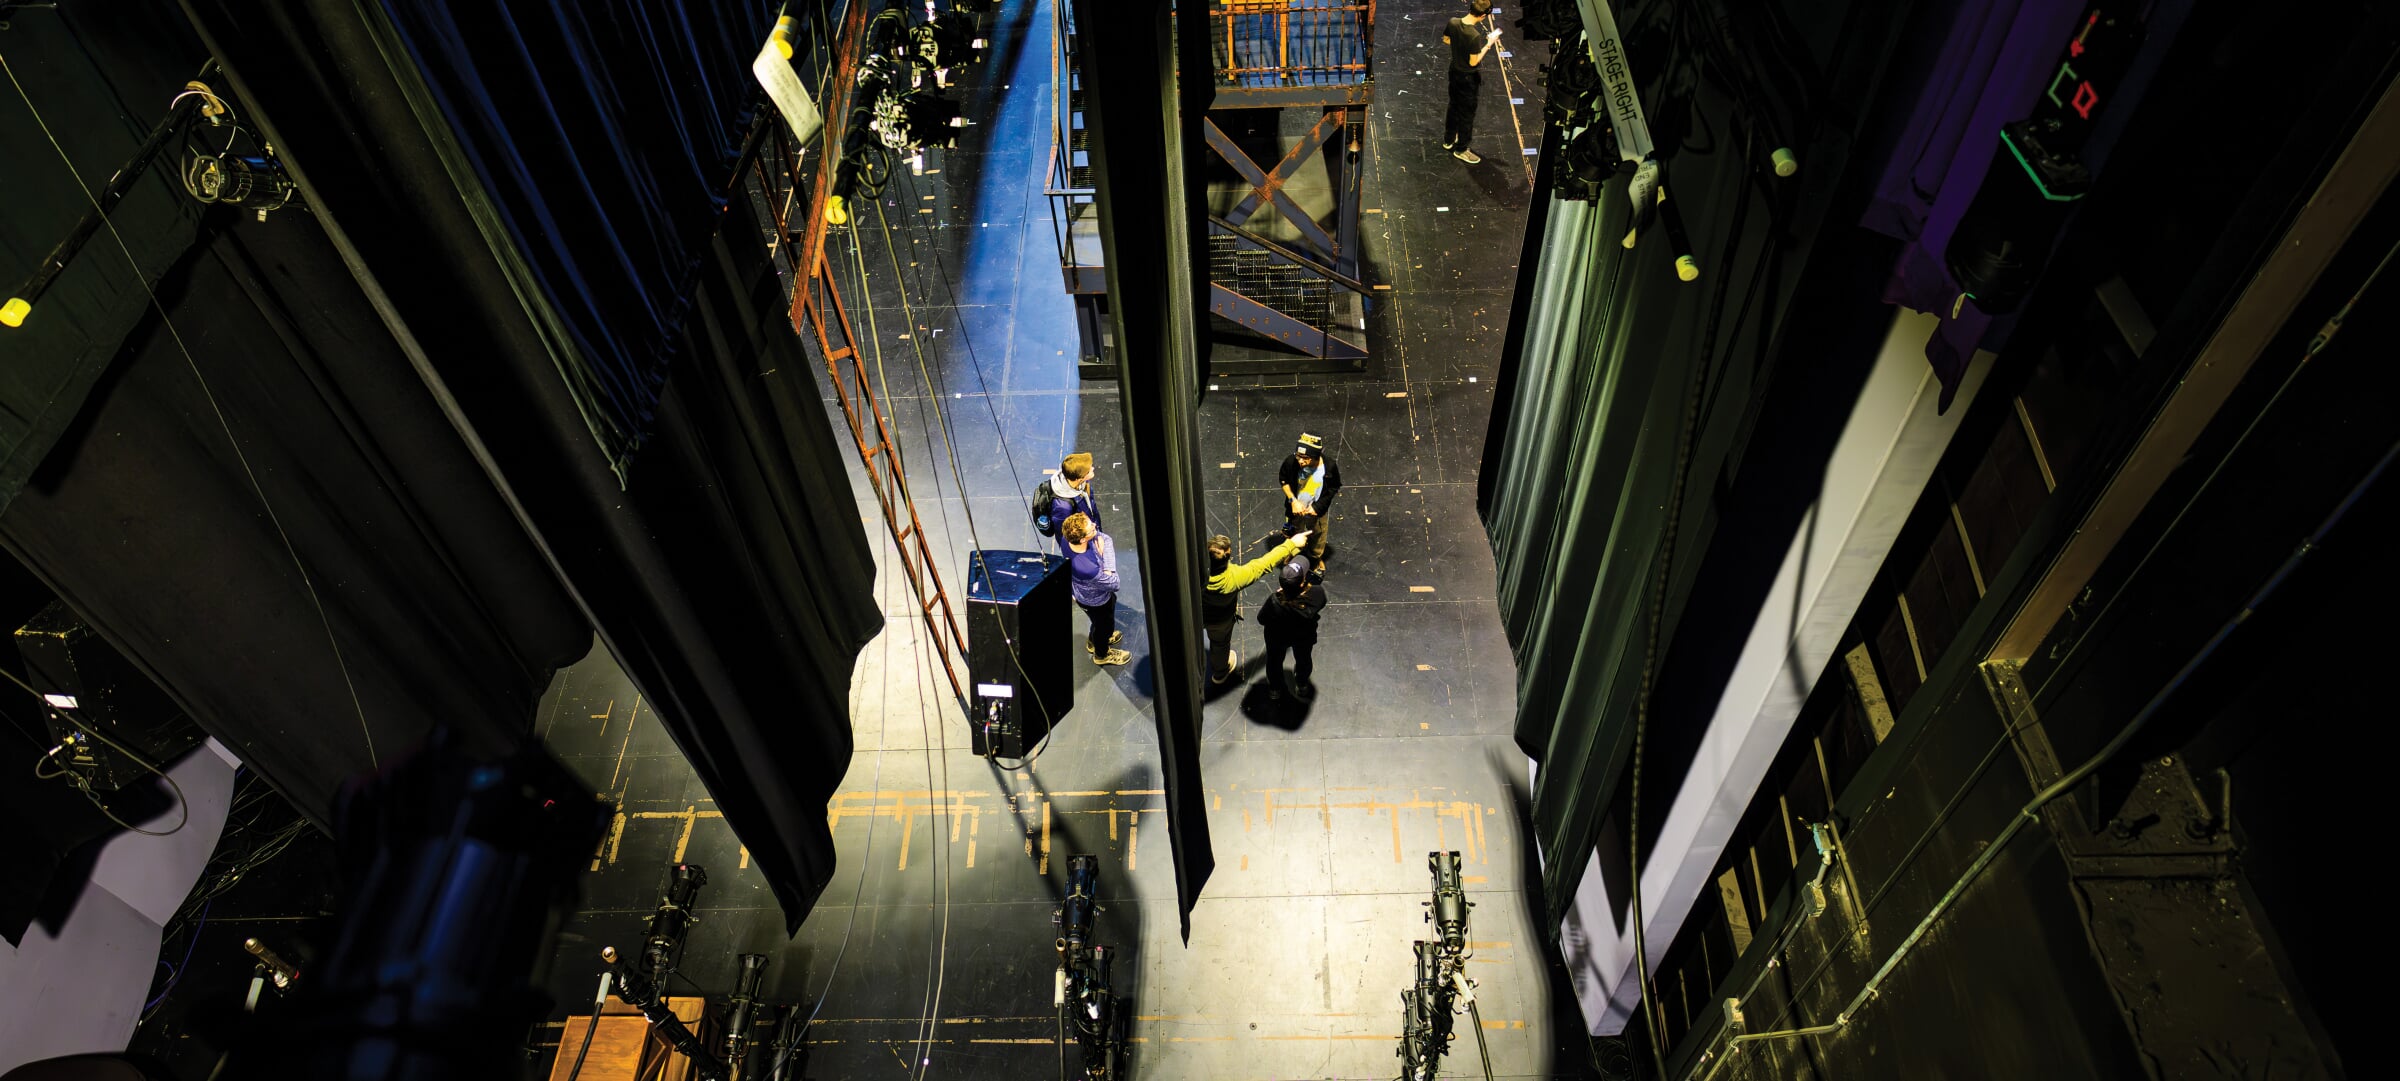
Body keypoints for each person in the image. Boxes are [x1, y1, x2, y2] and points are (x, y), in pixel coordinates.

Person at [1203, 529, 1311, 685]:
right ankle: (1220, 672)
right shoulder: (1235, 578)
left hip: (1192, 614)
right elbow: (1264, 564)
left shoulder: (1192, 572)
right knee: (1219, 644)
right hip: (1219, 622)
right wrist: (1292, 544)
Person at [1060, 512, 1130, 665]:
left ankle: (1094, 641)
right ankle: (1101, 654)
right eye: (1091, 528)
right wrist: (1107, 566)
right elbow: (1114, 583)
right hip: (1097, 601)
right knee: (1104, 625)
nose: (1095, 526)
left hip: (1082, 595)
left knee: (1097, 624)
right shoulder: (1087, 568)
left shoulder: (1065, 539)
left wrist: (1102, 552)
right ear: (1083, 539)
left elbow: (1106, 538)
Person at [1256, 555, 1327, 702]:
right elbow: (1321, 603)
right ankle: (1302, 685)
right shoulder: (1316, 594)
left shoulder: (1274, 601)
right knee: (1303, 659)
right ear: (1302, 583)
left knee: (1274, 661)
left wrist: (1279, 595)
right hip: (1303, 637)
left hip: (1277, 637)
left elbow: (1261, 619)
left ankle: (1275, 689)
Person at [1441, 0, 1501, 164]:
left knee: (1453, 106)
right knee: (1466, 115)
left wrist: (1459, 46)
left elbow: (1446, 40)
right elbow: (1473, 62)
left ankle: (1448, 140)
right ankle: (1461, 149)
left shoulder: (1453, 22)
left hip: (1454, 71)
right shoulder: (1473, 35)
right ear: (1483, 16)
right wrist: (1489, 44)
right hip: (1468, 78)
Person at [1279, 433, 1342, 567]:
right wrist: (1293, 501)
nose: (1300, 461)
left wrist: (1318, 507)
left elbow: (1334, 487)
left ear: (1315, 456)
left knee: (1318, 535)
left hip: (1317, 509)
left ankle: (1314, 558)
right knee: (1293, 531)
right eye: (1298, 456)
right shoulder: (1291, 462)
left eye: (1305, 458)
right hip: (1295, 509)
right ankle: (1293, 554)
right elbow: (1283, 481)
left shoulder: (1329, 466)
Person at [1045, 452, 1101, 551]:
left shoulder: (1082, 482)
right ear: (1079, 478)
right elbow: (1064, 537)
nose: (1092, 468)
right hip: (1084, 541)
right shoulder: (1062, 507)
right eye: (1088, 470)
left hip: (1090, 528)